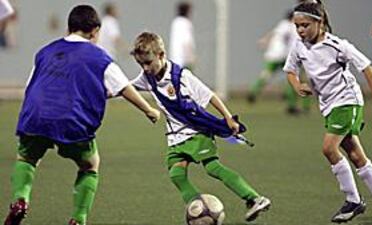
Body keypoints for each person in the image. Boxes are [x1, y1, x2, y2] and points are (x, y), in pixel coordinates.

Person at [3, 5, 160, 225]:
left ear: (69, 27)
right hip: (71, 121)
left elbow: (31, 86)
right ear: (95, 31)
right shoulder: (100, 58)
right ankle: (78, 219)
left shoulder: (45, 51)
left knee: (27, 158)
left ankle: (20, 200)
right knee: (90, 164)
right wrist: (149, 110)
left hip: (35, 117)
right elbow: (124, 87)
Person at [130, 32, 270, 222]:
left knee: (212, 167)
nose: (145, 69)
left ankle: (254, 198)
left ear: (161, 55)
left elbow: (209, 95)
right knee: (176, 174)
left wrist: (228, 117)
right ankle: (199, 208)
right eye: (141, 65)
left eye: (148, 63)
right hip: (175, 137)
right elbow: (126, 87)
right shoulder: (147, 77)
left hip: (196, 131)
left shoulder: (181, 76)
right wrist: (100, 90)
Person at [283, 1, 372, 224]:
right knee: (355, 154)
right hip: (328, 106)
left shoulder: (337, 45)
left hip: (347, 101)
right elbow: (290, 70)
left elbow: (366, 67)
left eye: (305, 25)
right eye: (297, 26)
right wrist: (297, 86)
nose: (300, 30)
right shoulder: (299, 45)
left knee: (328, 148)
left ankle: (353, 199)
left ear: (320, 22)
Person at [247, 10, 311, 115]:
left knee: (266, 75)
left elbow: (273, 33)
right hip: (285, 56)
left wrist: (264, 40)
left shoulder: (282, 25)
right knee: (294, 78)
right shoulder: (293, 27)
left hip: (272, 55)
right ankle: (293, 105)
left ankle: (254, 91)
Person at [169, 1, 196, 69]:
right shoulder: (186, 23)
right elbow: (186, 42)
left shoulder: (175, 22)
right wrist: (191, 57)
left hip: (174, 58)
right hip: (184, 60)